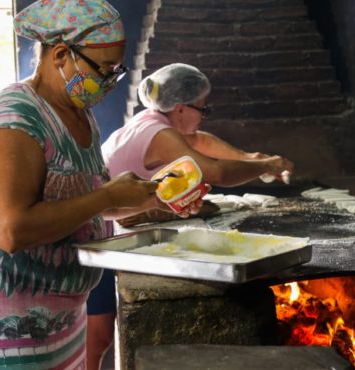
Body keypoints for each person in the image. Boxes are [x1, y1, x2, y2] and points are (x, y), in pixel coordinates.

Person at [0, 1, 181, 369]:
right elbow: (11, 230)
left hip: (60, 308)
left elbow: (88, 203)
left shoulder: (78, 114)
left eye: (115, 71)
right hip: (11, 306)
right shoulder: (15, 118)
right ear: (60, 55)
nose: (108, 81)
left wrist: (154, 200)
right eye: (103, 70)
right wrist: (107, 194)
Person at [86, 63, 295, 368]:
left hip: (106, 221)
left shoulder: (153, 119)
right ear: (181, 109)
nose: (204, 114)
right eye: (203, 108)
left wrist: (250, 158)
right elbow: (217, 172)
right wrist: (266, 166)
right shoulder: (158, 134)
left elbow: (200, 141)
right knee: (98, 334)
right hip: (96, 226)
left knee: (100, 332)